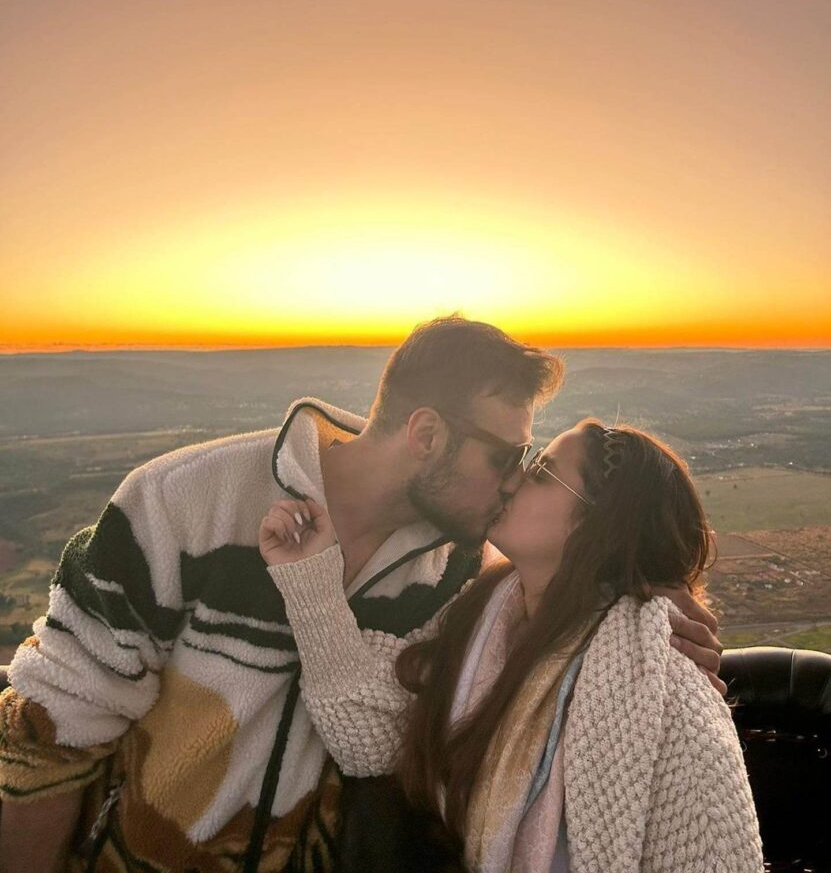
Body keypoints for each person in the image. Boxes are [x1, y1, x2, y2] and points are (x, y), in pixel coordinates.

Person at [0, 317, 722, 873]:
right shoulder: (185, 500)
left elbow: (558, 597)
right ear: (427, 435)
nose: (512, 480)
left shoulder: (460, 574)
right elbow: (48, 735)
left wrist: (648, 603)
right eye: (507, 457)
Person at [259, 420, 761, 872]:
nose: (511, 479)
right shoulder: (482, 612)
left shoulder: (664, 695)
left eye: (541, 471)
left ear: (597, 523)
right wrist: (309, 578)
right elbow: (368, 738)